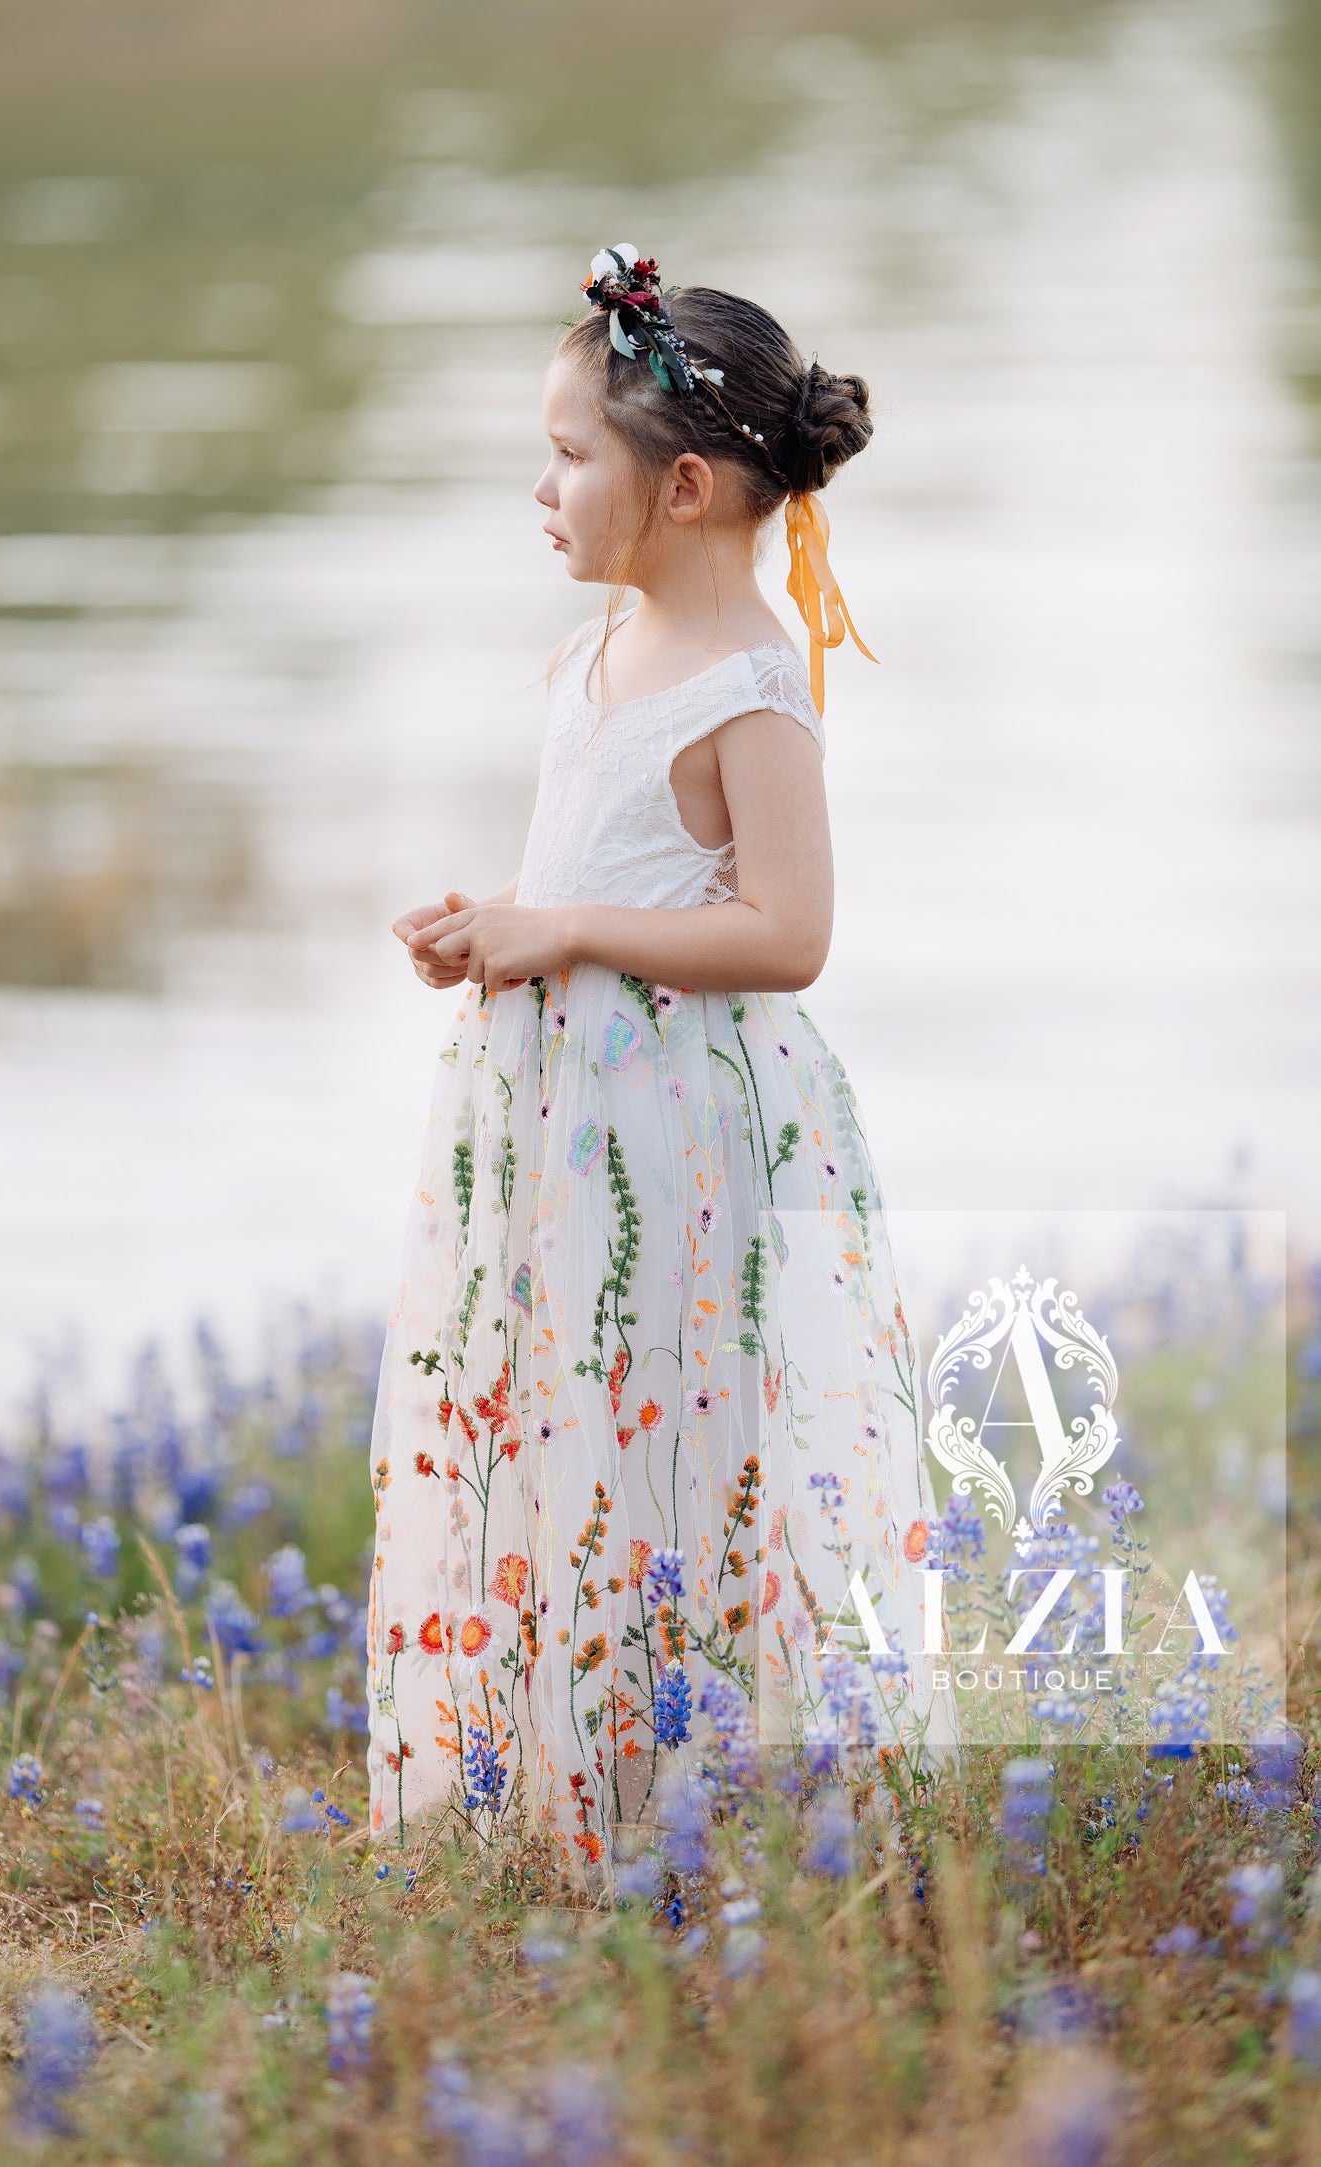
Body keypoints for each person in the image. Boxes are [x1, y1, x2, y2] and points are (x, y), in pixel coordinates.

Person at [366, 244, 944, 1885]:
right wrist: (504, 921)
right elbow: (606, 877)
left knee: (676, 1429)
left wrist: (568, 931)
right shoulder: (589, 658)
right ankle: (560, 1794)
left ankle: (689, 1810)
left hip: (680, 1128)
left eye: (566, 454)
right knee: (549, 1417)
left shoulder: (752, 686)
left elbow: (787, 933)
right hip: (556, 1115)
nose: (537, 486)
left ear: (680, 485)